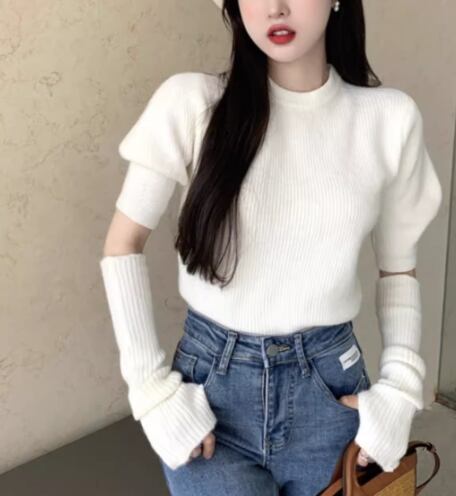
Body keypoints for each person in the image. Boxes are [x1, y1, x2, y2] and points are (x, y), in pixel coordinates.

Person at [99, 0, 443, 494]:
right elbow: (123, 245)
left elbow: (398, 270)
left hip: (330, 390)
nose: (276, 8)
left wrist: (399, 390)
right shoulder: (191, 103)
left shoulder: (388, 119)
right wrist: (151, 391)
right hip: (210, 395)